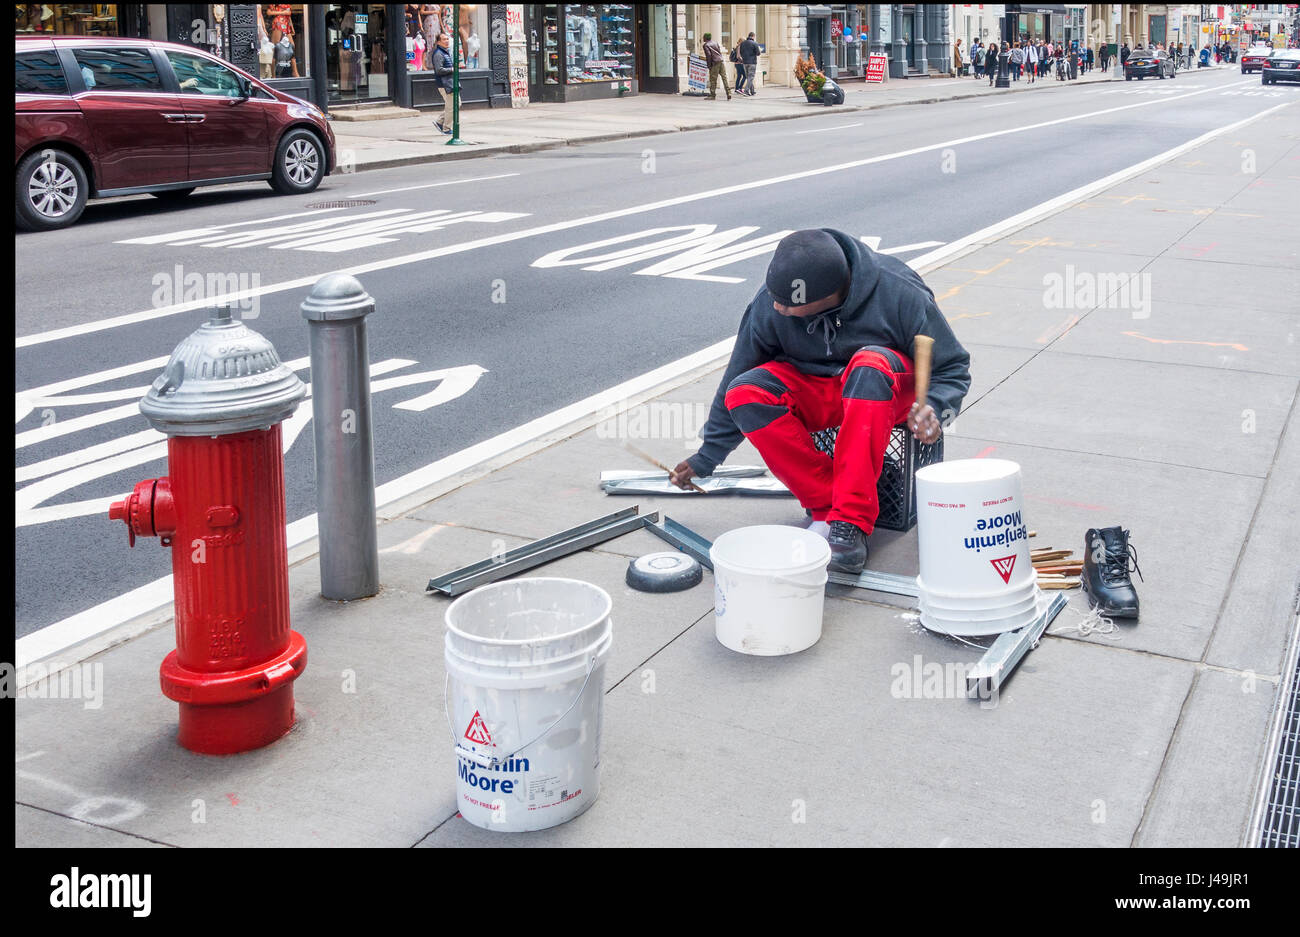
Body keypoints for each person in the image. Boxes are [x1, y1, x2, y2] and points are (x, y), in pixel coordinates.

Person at [668, 229, 972, 574]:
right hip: (819, 390)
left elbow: (952, 367)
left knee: (869, 364)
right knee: (745, 391)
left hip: (882, 389)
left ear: (831, 294)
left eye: (789, 302)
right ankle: (830, 504)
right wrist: (707, 456)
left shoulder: (899, 292)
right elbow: (736, 373)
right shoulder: (771, 304)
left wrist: (936, 404)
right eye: (775, 296)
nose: (779, 307)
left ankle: (850, 523)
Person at [432, 32, 455, 134]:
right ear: (438, 42)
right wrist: (451, 69)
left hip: (449, 83)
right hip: (444, 84)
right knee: (452, 105)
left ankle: (440, 121)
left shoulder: (445, 52)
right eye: (444, 39)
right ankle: (446, 128)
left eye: (447, 39)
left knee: (455, 104)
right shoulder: (438, 53)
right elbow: (439, 70)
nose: (447, 41)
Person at [702, 32, 732, 100]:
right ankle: (728, 93)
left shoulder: (706, 45)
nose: (702, 38)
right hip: (720, 61)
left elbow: (708, 55)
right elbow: (719, 52)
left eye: (703, 37)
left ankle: (712, 95)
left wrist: (709, 65)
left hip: (714, 63)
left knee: (713, 79)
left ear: (705, 38)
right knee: (724, 78)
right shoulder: (715, 43)